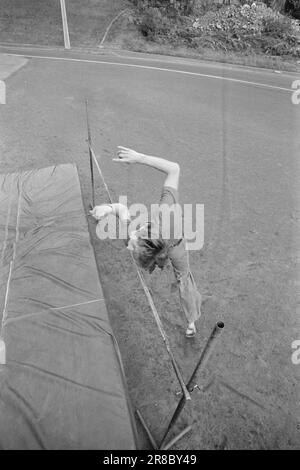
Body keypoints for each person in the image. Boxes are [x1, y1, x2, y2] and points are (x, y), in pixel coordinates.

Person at [90, 146, 202, 338]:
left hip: (177, 247)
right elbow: (122, 210)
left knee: (184, 278)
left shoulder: (166, 215)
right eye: (132, 244)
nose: (128, 244)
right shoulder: (141, 230)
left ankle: (192, 320)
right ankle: (191, 318)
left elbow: (175, 168)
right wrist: (107, 208)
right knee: (181, 277)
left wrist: (141, 158)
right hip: (166, 243)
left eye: (132, 246)